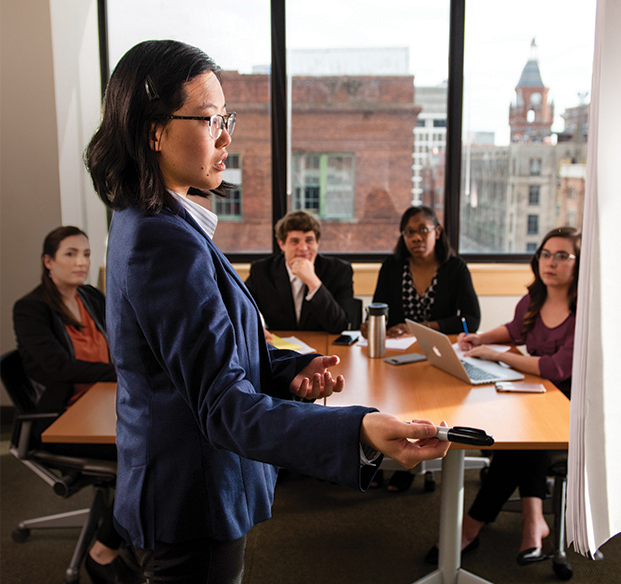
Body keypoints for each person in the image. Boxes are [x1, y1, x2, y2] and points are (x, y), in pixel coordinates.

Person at [84, 39, 449, 583]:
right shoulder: (162, 240)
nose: (227, 136)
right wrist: (360, 431)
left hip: (187, 483)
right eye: (210, 120)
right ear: (153, 131)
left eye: (226, 117)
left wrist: (283, 368)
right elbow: (221, 403)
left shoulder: (156, 221)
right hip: (192, 493)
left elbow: (201, 356)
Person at [424, 226, 581, 566]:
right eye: (545, 254)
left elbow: (556, 369)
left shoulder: (583, 312)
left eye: (562, 256)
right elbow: (513, 330)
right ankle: (533, 518)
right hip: (538, 392)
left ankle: (470, 527)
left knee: (518, 442)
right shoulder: (533, 300)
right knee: (519, 432)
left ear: (579, 263)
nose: (550, 262)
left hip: (571, 403)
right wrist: (481, 339)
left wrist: (498, 355)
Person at [13, 226, 141, 584]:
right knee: (143, 455)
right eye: (70, 254)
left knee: (158, 440)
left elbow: (121, 335)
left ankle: (130, 530)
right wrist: (120, 371)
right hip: (62, 419)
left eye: (86, 253)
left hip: (104, 402)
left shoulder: (89, 296)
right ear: (48, 262)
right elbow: (58, 367)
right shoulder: (30, 309)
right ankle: (103, 551)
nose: (81, 262)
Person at [363, 205, 481, 492]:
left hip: (435, 355)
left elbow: (472, 318)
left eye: (423, 231)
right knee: (387, 400)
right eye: (409, 232)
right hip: (397, 354)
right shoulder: (392, 266)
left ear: (437, 233)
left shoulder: (455, 268)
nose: (416, 238)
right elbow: (380, 307)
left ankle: (411, 464)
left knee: (423, 406)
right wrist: (373, 324)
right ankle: (383, 458)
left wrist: (425, 326)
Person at [246, 210, 354, 334]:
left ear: (317, 243)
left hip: (324, 346)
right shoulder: (261, 271)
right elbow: (241, 309)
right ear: (282, 244)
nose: (303, 248)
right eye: (294, 241)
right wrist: (257, 328)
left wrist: (313, 281)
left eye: (309, 240)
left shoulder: (339, 270)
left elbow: (340, 326)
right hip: (280, 347)